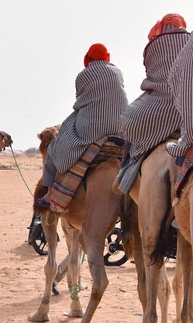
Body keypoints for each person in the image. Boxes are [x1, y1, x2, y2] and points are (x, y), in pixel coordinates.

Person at [35, 43, 128, 208]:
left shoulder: (83, 75)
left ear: (88, 59)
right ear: (107, 57)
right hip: (121, 128)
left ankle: (50, 194)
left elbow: (81, 101)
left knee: (54, 148)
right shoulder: (118, 72)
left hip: (93, 129)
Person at [118, 14, 189, 192]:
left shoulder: (153, 46)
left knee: (126, 120)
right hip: (187, 111)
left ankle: (124, 170)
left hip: (155, 110)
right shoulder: (190, 41)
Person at [166, 20, 193, 157]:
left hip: (156, 108)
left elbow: (175, 78)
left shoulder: (154, 43)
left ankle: (124, 173)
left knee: (129, 126)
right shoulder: (187, 38)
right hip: (179, 117)